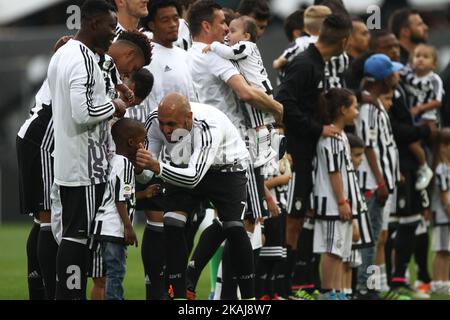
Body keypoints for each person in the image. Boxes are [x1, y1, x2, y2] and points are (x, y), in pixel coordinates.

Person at [136, 93, 255, 300]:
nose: (165, 130)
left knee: (233, 227)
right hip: (184, 165)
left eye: (172, 124)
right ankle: (180, 295)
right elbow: (147, 174)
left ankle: (249, 300)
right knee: (172, 223)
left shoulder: (207, 126)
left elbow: (193, 178)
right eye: (163, 123)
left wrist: (156, 167)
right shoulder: (154, 121)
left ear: (188, 118)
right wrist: (139, 167)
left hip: (226, 167)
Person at [47, 0, 128, 299]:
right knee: (77, 238)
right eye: (110, 26)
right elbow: (83, 113)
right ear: (93, 24)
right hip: (82, 164)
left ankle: (68, 294)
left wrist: (115, 88)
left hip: (73, 160)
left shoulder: (65, 53)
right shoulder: (81, 59)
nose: (113, 33)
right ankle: (69, 295)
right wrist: (116, 105)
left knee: (74, 237)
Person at [275, 13, 352, 298]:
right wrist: (318, 128)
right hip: (296, 153)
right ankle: (279, 286)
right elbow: (283, 101)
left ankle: (289, 285)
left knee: (299, 219)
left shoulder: (316, 63)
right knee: (292, 221)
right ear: (344, 41)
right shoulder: (306, 64)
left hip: (306, 153)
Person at [355, 54, 402, 299]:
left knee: (375, 236)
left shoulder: (375, 103)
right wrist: (381, 181)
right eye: (393, 72)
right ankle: (366, 287)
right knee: (370, 238)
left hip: (381, 181)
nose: (397, 75)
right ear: (384, 79)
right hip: (373, 183)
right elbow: (369, 146)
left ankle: (369, 286)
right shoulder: (369, 108)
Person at [92, 118, 151, 300]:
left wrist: (144, 194)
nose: (144, 145)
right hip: (114, 228)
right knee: (115, 274)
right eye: (142, 140)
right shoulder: (125, 164)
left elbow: (117, 194)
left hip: (103, 227)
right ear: (131, 142)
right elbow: (120, 199)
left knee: (110, 273)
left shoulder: (114, 160)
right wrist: (128, 227)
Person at [313, 88, 359, 300]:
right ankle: (328, 292)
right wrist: (341, 201)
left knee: (340, 249)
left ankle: (338, 292)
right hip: (331, 203)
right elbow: (334, 172)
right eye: (354, 107)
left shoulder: (341, 136)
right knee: (331, 249)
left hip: (341, 202)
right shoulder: (331, 136)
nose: (357, 112)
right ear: (342, 109)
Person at [401, 44, 443, 191]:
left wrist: (420, 108)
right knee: (413, 143)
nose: (420, 60)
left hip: (427, 118)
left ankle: (426, 167)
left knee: (414, 142)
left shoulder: (434, 79)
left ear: (434, 63)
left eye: (425, 57)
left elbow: (438, 101)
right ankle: (424, 166)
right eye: (417, 56)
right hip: (412, 117)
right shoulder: (409, 76)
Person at [272, 5, 331, 72]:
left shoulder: (304, 43)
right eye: (308, 27)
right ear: (297, 33)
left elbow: (277, 63)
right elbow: (278, 63)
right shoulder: (302, 43)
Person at [430, 128, 450, 296]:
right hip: (443, 216)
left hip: (447, 217)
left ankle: (445, 281)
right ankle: (437, 282)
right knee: (441, 249)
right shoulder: (441, 169)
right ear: (443, 146)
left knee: (447, 249)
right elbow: (444, 196)